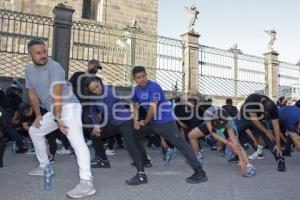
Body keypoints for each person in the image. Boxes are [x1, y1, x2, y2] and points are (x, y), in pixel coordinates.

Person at [24, 39, 95, 198]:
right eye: (38, 53)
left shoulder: (54, 67)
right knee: (35, 131)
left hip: (68, 106)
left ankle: (87, 182)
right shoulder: (29, 70)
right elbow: (32, 93)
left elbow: (57, 95)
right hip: (54, 110)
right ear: (30, 54)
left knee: (76, 141)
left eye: (44, 51)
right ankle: (44, 167)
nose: (43, 55)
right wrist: (38, 115)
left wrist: (59, 119)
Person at [130, 66, 208, 184]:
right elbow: (132, 102)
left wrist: (144, 122)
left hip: (165, 122)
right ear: (134, 79)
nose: (142, 79)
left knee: (181, 144)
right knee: (133, 135)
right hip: (152, 121)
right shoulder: (136, 90)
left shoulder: (154, 86)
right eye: (138, 78)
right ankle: (145, 160)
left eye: (143, 76)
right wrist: (135, 120)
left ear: (146, 75)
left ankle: (200, 172)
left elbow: (152, 108)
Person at [84, 76, 146, 184]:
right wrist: (95, 125)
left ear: (100, 82)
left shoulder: (109, 93)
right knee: (95, 134)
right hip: (114, 122)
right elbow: (93, 111)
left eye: (97, 87)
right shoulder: (93, 95)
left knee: (131, 145)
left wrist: (99, 126)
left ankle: (141, 175)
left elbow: (106, 114)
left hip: (124, 121)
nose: (96, 90)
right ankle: (104, 161)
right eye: (93, 89)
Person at [236, 93, 286, 172]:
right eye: (265, 113)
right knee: (234, 133)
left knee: (270, 137)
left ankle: (280, 160)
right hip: (244, 118)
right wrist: (266, 131)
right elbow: (254, 120)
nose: (266, 114)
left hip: (258, 119)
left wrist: (278, 144)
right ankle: (236, 154)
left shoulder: (272, 106)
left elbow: (276, 126)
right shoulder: (252, 100)